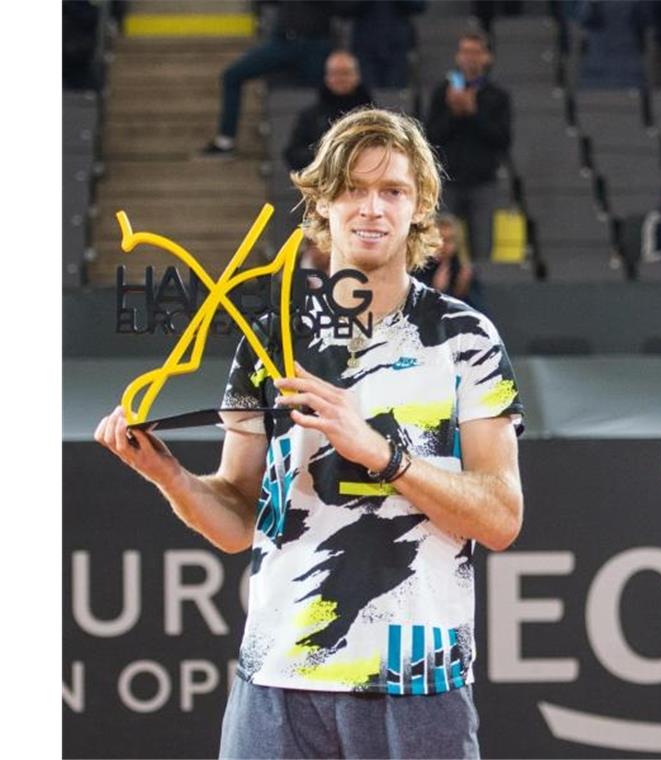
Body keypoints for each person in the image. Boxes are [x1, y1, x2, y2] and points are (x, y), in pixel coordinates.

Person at [96, 107, 525, 758]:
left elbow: (500, 516)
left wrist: (383, 455)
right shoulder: (269, 337)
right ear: (322, 203)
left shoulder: (464, 338)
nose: (372, 208)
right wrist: (168, 475)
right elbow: (238, 518)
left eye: (393, 191)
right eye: (353, 188)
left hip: (416, 685)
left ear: (420, 207)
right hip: (275, 682)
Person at [198, 1, 335, 159]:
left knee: (321, 93)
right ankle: (225, 141)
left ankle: (326, 146)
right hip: (283, 41)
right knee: (232, 75)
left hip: (315, 44)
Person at [425, 30, 512, 260]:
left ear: (487, 57)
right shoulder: (442, 93)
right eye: (465, 51)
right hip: (448, 179)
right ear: (457, 56)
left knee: (482, 249)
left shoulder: (497, 96)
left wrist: (474, 113)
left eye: (476, 52)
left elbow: (502, 139)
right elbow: (430, 137)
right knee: (440, 249)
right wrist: (454, 113)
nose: (470, 57)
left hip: (483, 181)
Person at [282, 50, 374, 172]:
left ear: (357, 76)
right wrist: (325, 156)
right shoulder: (310, 117)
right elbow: (293, 155)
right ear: (327, 77)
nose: (340, 78)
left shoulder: (373, 116)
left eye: (345, 73)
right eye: (335, 73)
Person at [415, 213, 482, 310]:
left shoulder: (463, 271)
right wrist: (436, 291)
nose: (443, 246)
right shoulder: (419, 268)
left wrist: (461, 292)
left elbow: (480, 314)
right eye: (439, 238)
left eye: (449, 240)